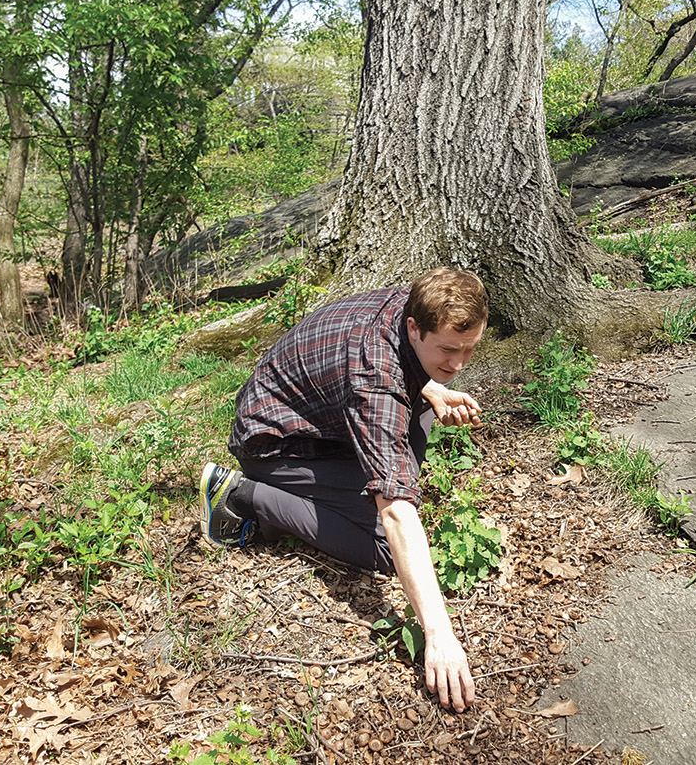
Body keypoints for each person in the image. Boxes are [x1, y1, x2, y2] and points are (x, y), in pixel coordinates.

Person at [199, 267, 488, 712]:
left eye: (469, 350)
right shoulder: (375, 375)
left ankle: (319, 489)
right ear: (414, 327)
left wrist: (430, 385)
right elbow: (395, 511)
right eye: (448, 350)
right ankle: (240, 495)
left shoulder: (411, 305)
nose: (459, 364)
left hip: (314, 418)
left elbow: (399, 367)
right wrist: (439, 634)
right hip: (274, 444)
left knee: (420, 417)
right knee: (385, 547)